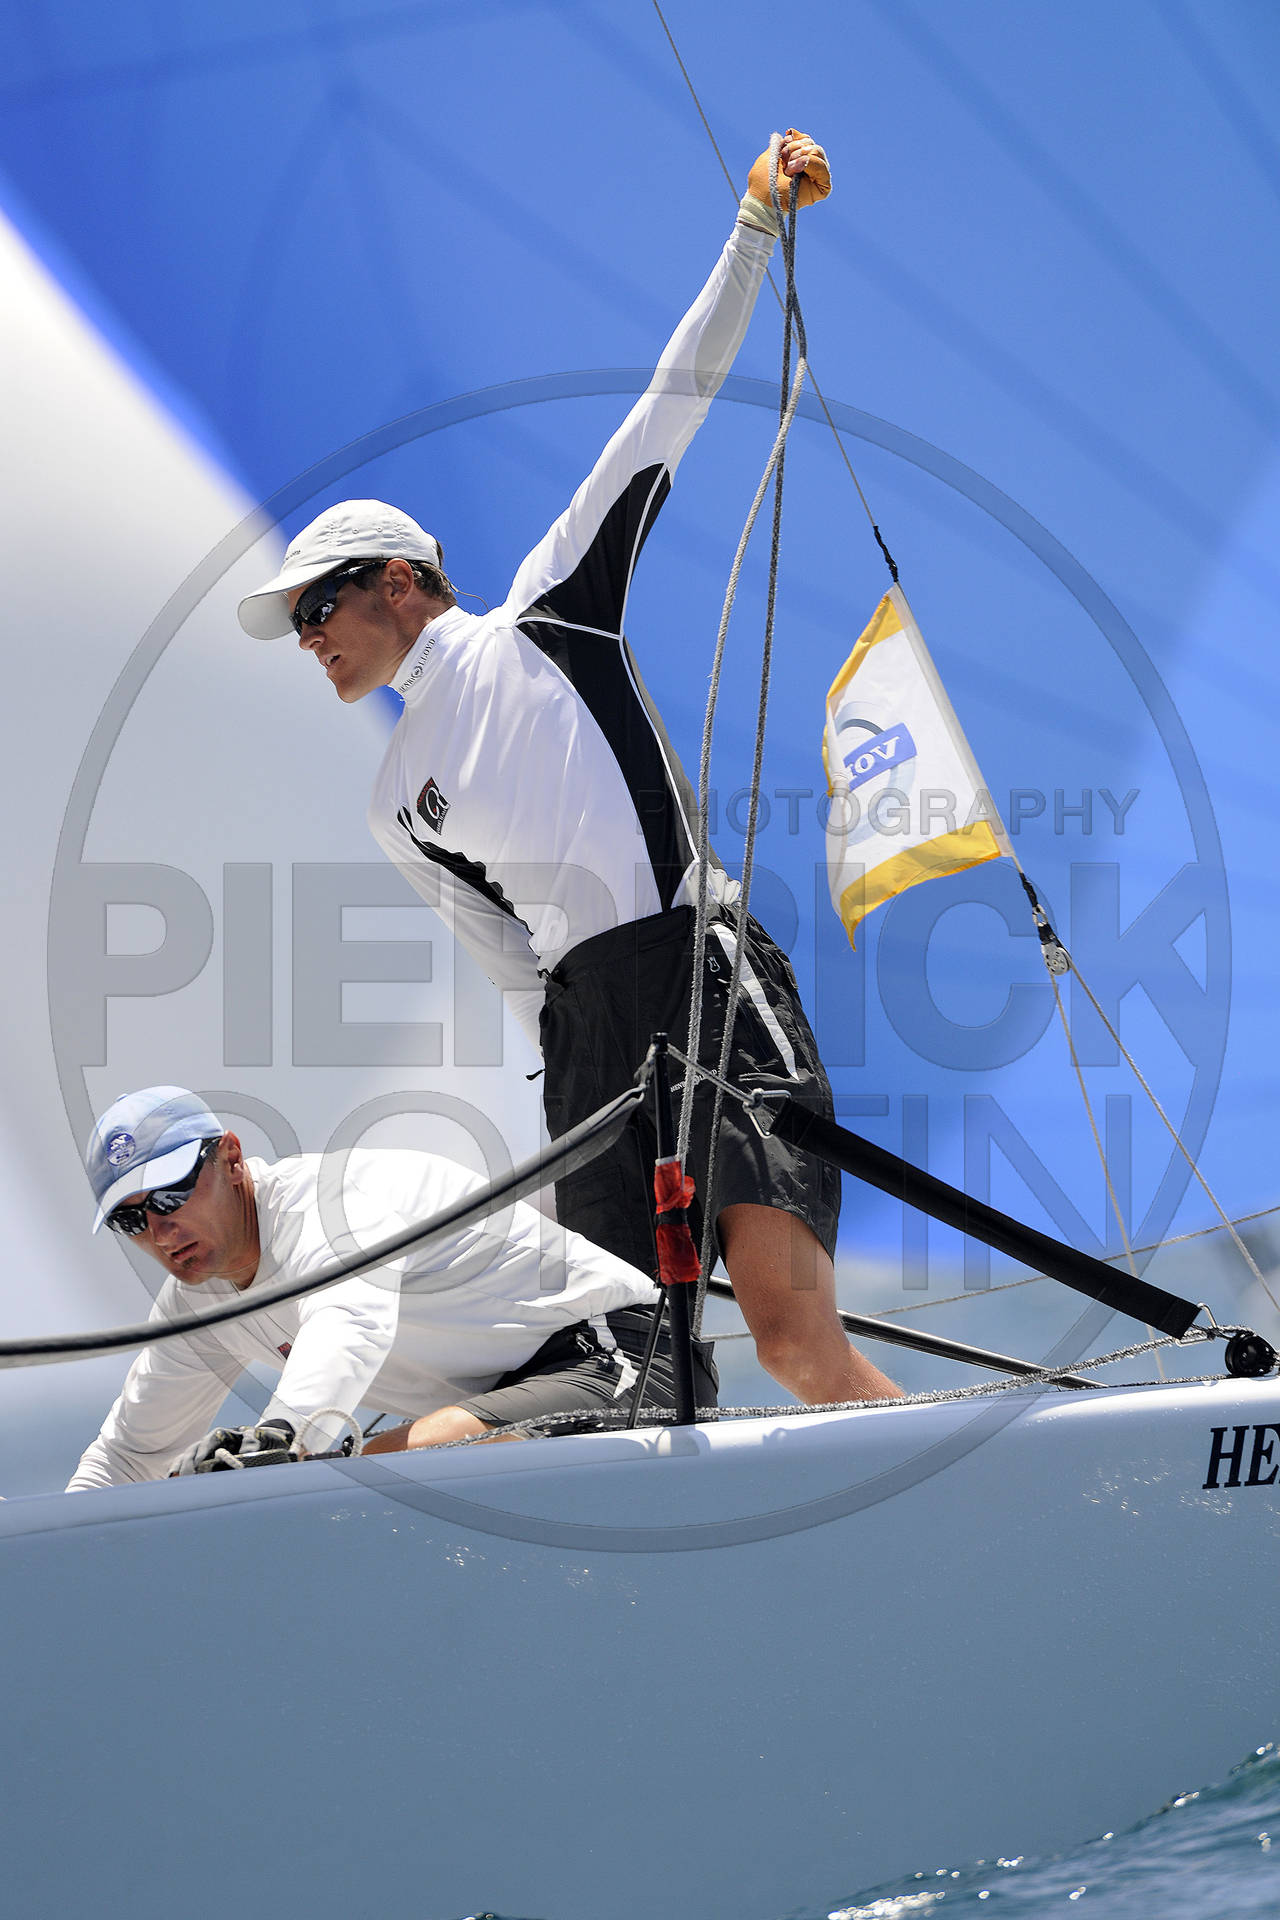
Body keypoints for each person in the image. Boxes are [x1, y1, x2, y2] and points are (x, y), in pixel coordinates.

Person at [236, 131, 900, 1408]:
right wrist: (568, 1078)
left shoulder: (548, 616)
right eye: (297, 625)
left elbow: (668, 403)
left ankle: (951, 1496)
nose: (309, 638)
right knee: (632, 1376)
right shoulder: (392, 803)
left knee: (786, 1338)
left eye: (318, 607)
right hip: (585, 1043)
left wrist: (753, 229)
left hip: (694, 970)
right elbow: (508, 963)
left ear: (399, 580)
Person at [67, 1086, 717, 1488]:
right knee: (343, 1478)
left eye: (172, 1193)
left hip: (628, 1356)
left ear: (232, 1158)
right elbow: (129, 1455)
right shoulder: (196, 1304)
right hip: (497, 1402)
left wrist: (282, 1442)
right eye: (131, 1219)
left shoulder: (329, 1206)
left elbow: (349, 1322)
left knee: (353, 1476)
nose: (160, 1230)